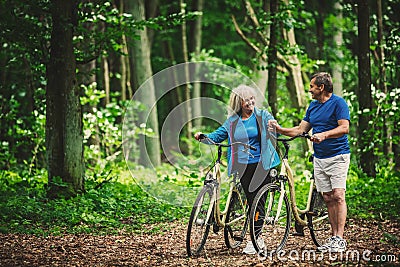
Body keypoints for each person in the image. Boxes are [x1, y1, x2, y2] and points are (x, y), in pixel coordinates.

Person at [269, 72, 350, 253]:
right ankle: (333, 237)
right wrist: (279, 129)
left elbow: (345, 127)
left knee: (338, 195)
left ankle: (340, 238)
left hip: (338, 155)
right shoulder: (313, 107)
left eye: (312, 86)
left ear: (321, 87)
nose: (310, 90)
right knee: (328, 197)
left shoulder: (338, 103)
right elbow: (300, 130)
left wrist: (324, 134)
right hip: (320, 157)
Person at [194, 84, 280, 255]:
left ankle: (256, 239)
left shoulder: (263, 116)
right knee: (250, 201)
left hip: (261, 164)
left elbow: (275, 131)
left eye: (252, 98)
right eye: (246, 100)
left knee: (258, 201)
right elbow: (218, 135)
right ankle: (254, 233)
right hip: (242, 165)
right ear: (239, 102)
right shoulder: (232, 121)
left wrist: (275, 128)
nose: (251, 102)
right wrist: (203, 136)